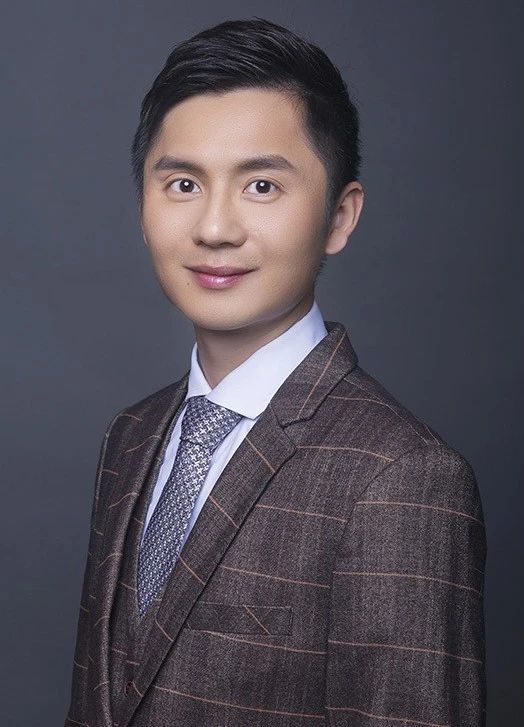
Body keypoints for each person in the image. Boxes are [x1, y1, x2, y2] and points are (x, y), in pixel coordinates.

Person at [64, 17, 486, 727]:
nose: (215, 228)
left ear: (339, 217)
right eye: (183, 183)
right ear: (142, 205)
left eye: (261, 185)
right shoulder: (130, 435)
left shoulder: (404, 478)